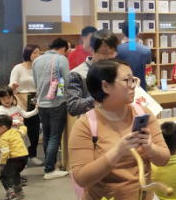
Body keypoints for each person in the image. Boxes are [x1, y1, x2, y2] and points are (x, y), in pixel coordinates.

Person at [69, 59, 170, 200]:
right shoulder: (86, 125)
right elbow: (82, 177)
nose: (134, 85)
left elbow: (164, 158)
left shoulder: (142, 113)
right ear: (105, 86)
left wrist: (150, 148)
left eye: (134, 80)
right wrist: (118, 151)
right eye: (127, 80)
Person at [32, 37, 70, 180]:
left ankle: (51, 164)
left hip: (42, 103)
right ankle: (49, 169)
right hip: (56, 103)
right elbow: (67, 80)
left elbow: (35, 81)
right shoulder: (61, 59)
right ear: (63, 49)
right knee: (55, 137)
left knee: (47, 135)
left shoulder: (37, 60)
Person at [67, 30, 119, 117]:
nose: (110, 57)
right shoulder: (77, 73)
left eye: (112, 52)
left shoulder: (118, 69)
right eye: (104, 53)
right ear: (92, 50)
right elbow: (73, 107)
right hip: (91, 122)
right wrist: (101, 96)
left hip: (116, 120)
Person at [9, 44, 42, 166]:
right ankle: (21, 157)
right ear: (28, 54)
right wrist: (13, 86)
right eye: (35, 53)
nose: (38, 55)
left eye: (39, 52)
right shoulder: (18, 68)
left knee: (34, 129)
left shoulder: (39, 68)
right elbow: (11, 84)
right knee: (21, 129)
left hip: (35, 100)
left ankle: (32, 154)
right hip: (21, 100)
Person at [0, 115, 28, 200]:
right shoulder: (15, 131)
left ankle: (11, 195)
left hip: (14, 158)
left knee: (3, 176)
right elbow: (23, 132)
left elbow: (5, 153)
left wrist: (0, 164)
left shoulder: (3, 138)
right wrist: (21, 124)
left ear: (3, 128)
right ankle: (18, 189)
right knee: (15, 172)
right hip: (24, 157)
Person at [117, 22, 152, 91]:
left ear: (122, 34)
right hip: (141, 89)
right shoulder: (146, 50)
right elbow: (148, 70)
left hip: (123, 90)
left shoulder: (116, 50)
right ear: (138, 33)